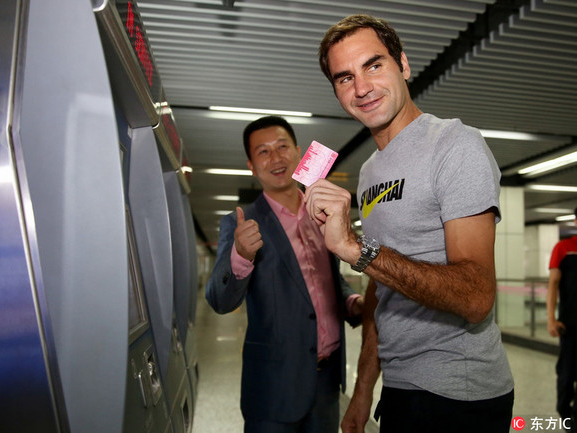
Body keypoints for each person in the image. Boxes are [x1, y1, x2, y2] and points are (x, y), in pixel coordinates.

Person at [303, 14, 515, 433]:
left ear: (403, 65)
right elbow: (382, 290)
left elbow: (475, 297)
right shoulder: (369, 172)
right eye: (344, 78)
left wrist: (354, 247)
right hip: (401, 388)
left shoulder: (455, 145)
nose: (361, 88)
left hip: (459, 392)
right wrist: (364, 391)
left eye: (374, 65)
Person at [205, 115, 364, 433]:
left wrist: (353, 302)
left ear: (299, 151)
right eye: (263, 152)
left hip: (326, 383)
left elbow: (326, 280)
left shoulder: (322, 213)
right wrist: (241, 255)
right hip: (273, 387)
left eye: (282, 147)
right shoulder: (241, 223)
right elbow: (219, 300)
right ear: (251, 165)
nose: (275, 158)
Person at [547, 207, 577, 430]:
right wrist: (550, 318)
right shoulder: (563, 248)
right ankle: (566, 416)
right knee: (566, 379)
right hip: (569, 326)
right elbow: (553, 284)